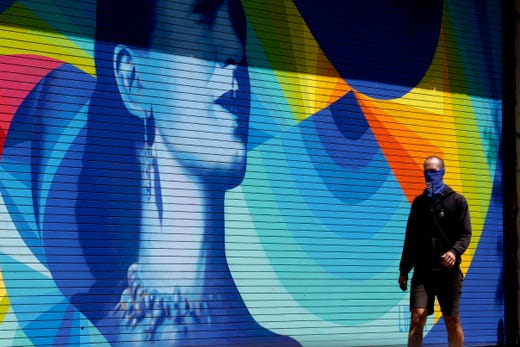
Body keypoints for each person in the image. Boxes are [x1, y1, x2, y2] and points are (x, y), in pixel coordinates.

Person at [63, 0, 299, 345]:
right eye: (203, 16)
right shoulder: (71, 329)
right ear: (132, 78)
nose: (235, 49)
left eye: (237, 24)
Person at [398, 156, 471, 347]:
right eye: (426, 171)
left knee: (451, 319)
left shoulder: (457, 201)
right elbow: (411, 238)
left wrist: (454, 252)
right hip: (423, 272)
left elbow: (465, 235)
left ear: (442, 172)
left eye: (433, 171)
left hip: (448, 274)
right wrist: (404, 270)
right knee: (417, 317)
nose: (429, 175)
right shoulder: (419, 204)